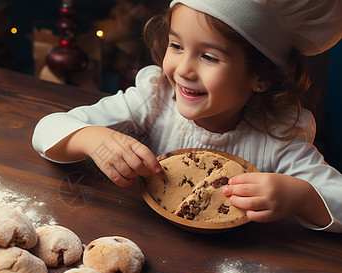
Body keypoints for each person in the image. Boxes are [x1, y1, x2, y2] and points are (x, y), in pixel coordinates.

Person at [33, 0, 342, 232]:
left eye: (209, 56)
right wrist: (91, 138)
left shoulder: (277, 138)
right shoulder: (154, 99)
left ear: (260, 76)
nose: (182, 70)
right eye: (176, 45)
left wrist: (301, 197)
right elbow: (46, 130)